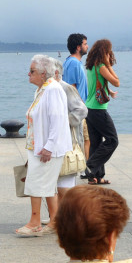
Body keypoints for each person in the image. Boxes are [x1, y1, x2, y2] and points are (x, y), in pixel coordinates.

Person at [15, 55, 72, 237]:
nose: (28, 74)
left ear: (42, 73)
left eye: (31, 71)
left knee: (36, 184)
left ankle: (35, 223)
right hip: (38, 146)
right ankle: (55, 220)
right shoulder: (43, 89)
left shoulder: (53, 90)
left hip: (46, 148)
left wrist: (49, 146)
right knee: (46, 185)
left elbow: (58, 120)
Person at [84, 38, 121, 185]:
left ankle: (96, 177)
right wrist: (108, 64)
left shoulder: (90, 66)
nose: (110, 53)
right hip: (99, 110)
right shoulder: (101, 66)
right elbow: (117, 81)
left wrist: (108, 91)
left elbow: (95, 85)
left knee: (96, 143)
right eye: (109, 50)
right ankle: (90, 166)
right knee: (112, 140)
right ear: (104, 52)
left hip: (90, 108)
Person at [54, 59, 87, 198]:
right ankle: (55, 217)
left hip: (69, 142)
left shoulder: (66, 88)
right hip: (56, 142)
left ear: (55, 73)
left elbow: (81, 110)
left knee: (66, 181)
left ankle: (65, 216)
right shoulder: (48, 89)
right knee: (56, 184)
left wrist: (62, 122)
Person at [63, 33, 91, 159]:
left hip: (80, 108)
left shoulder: (74, 62)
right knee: (85, 140)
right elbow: (72, 88)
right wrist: (80, 108)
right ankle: (86, 170)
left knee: (86, 139)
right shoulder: (73, 63)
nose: (87, 46)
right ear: (78, 47)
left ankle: (86, 169)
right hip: (78, 109)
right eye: (85, 44)